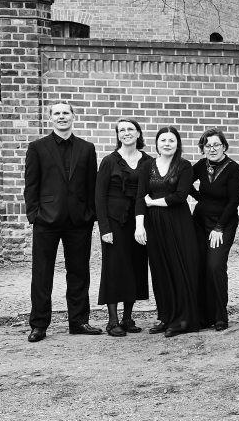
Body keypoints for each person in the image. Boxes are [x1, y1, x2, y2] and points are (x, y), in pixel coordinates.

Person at [23, 102, 100, 342]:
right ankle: (39, 325)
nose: (61, 117)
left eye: (66, 113)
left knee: (79, 272)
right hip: (46, 219)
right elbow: (31, 184)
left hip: (79, 220)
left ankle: (79, 322)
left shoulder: (87, 148)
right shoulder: (37, 147)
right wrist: (34, 215)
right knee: (42, 273)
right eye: (57, 113)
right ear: (50, 118)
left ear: (73, 117)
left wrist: (91, 213)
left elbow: (92, 184)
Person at [134, 127, 202, 338]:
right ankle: (165, 317)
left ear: (177, 144)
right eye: (163, 140)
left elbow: (180, 196)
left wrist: (153, 202)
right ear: (156, 143)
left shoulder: (184, 166)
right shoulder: (147, 166)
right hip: (154, 224)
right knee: (160, 269)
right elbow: (140, 197)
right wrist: (139, 226)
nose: (167, 144)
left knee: (179, 268)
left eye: (171, 140)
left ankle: (182, 319)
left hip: (178, 222)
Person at [95, 118, 152, 337]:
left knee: (135, 267)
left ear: (138, 133)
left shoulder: (148, 161)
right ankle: (112, 320)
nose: (126, 133)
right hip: (114, 223)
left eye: (130, 129)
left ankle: (128, 318)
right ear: (118, 135)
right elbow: (100, 196)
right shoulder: (109, 161)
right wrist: (104, 228)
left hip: (139, 223)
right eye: (122, 130)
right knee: (114, 269)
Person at [190, 128, 239, 331]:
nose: (212, 149)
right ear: (203, 149)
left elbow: (233, 201)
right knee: (200, 266)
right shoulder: (201, 165)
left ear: (224, 146)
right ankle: (204, 317)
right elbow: (185, 182)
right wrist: (199, 198)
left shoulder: (233, 169)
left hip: (223, 223)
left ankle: (220, 316)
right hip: (200, 222)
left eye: (216, 145)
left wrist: (219, 227)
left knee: (215, 265)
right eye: (208, 145)